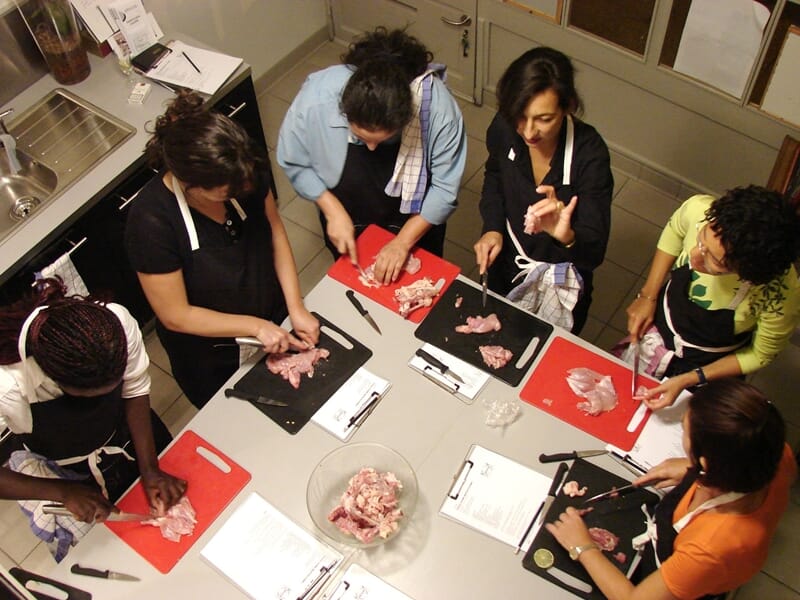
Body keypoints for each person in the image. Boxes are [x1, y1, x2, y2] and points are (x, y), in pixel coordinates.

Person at [126, 91, 319, 409]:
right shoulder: (151, 221)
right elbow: (176, 315)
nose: (245, 189)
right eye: (228, 192)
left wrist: (295, 307)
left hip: (271, 314)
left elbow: (275, 233)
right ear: (192, 186)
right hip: (211, 354)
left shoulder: (241, 169)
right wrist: (255, 327)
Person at [546, 378, 796, 599]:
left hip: (693, 578)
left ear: (707, 461)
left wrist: (582, 547)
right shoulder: (770, 448)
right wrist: (690, 465)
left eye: (685, 432)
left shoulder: (710, 547)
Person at [0, 278, 185, 561]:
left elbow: (134, 390)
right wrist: (63, 491)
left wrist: (149, 469)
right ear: (55, 380)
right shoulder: (8, 386)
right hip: (70, 469)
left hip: (129, 433)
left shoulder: (114, 324)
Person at [277, 27, 467, 284]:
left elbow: (444, 190)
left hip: (414, 213)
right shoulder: (319, 97)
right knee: (358, 280)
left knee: (416, 283)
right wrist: (332, 210)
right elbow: (293, 159)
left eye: (382, 140)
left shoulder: (438, 111)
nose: (371, 150)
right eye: (361, 138)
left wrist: (402, 242)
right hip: (347, 202)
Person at [474, 47, 613, 333]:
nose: (528, 132)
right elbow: (495, 176)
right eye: (521, 116)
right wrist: (492, 228)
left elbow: (593, 254)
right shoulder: (504, 127)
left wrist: (567, 236)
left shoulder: (590, 155)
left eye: (544, 119)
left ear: (568, 107)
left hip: (560, 278)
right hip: (506, 264)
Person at [623, 185, 800, 409]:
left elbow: (760, 355)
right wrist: (648, 296)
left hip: (708, 367)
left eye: (715, 262)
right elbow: (675, 230)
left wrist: (689, 378)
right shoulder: (699, 209)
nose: (695, 256)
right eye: (702, 239)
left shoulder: (779, 293)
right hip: (659, 334)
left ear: (747, 272)